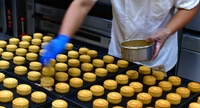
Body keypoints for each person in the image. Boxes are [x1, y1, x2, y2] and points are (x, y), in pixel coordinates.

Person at [40, 0, 199, 72]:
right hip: (118, 57)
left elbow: (190, 6)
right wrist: (63, 36)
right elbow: (82, 3)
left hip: (159, 61)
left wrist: (167, 31)